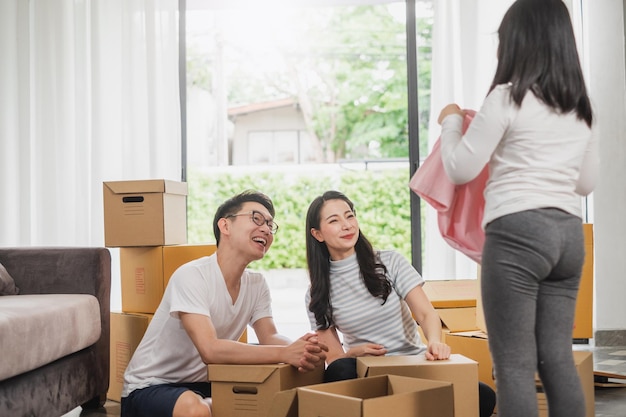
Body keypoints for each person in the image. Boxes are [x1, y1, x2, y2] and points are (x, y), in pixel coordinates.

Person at [436, 1, 598, 416]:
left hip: (517, 234)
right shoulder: (578, 107)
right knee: (558, 358)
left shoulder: (508, 97)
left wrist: (452, 121)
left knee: (514, 365)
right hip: (567, 236)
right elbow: (586, 183)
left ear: (518, 43)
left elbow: (459, 168)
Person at [121, 190, 328, 417]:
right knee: (197, 410)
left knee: (268, 401)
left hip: (209, 382)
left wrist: (304, 348)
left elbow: (270, 337)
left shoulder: (256, 284)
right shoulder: (192, 275)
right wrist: (284, 353)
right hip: (152, 386)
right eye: (256, 219)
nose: (266, 229)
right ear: (225, 226)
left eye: (270, 225)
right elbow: (210, 349)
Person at [304, 190, 497, 417]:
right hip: (367, 374)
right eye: (334, 220)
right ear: (317, 234)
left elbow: (426, 314)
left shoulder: (389, 262)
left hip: (413, 365)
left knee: (483, 395)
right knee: (339, 371)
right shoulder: (316, 293)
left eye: (350, 216)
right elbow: (335, 359)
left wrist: (435, 342)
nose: (347, 225)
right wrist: (354, 353)